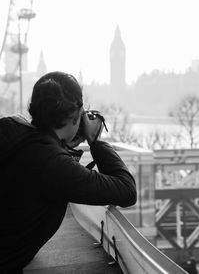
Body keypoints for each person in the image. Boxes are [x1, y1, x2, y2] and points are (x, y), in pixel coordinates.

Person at [0, 71, 137, 274]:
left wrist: (62, 145)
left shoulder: (9, 126)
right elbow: (127, 191)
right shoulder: (52, 163)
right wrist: (96, 142)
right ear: (77, 114)